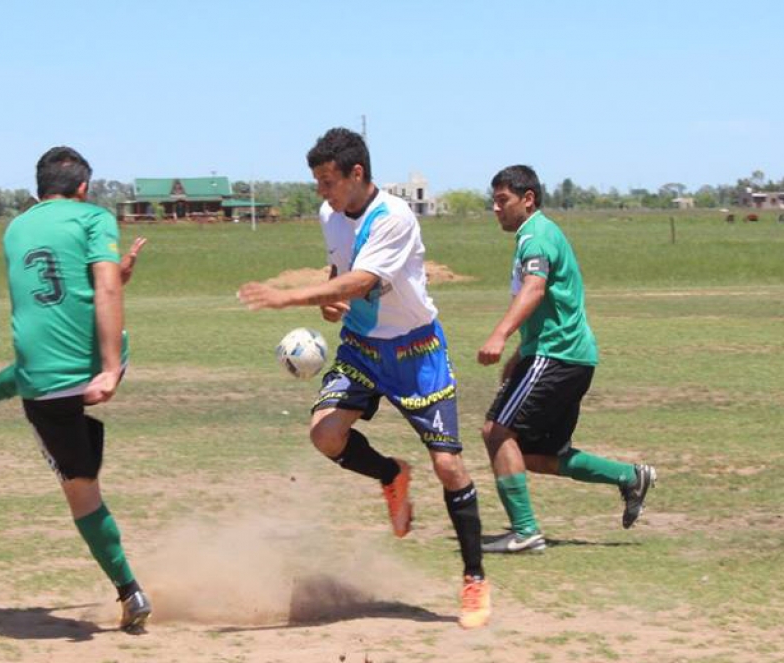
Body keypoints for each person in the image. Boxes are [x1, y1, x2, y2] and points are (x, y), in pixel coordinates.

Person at [238, 127, 491, 630]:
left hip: (416, 353)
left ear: (357, 174)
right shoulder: (330, 215)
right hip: (362, 348)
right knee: (325, 435)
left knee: (448, 466)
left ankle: (474, 579)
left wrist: (291, 296)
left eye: (328, 181)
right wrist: (330, 303)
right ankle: (390, 475)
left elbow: (365, 280)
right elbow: (342, 278)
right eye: (317, 182)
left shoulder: (394, 218)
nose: (322, 192)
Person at [0, 146, 151, 632]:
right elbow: (103, 289)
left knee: (82, 492)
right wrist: (110, 368)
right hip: (97, 363)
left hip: (45, 384)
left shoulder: (15, 228)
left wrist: (112, 279)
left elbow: (53, 296)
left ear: (39, 190)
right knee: (82, 478)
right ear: (83, 189)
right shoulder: (94, 218)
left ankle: (130, 592)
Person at [478, 165, 657, 554]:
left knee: (497, 432)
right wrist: (519, 354)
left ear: (528, 199)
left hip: (556, 355)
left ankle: (525, 532)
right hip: (567, 356)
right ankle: (629, 477)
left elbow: (535, 289)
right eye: (493, 200)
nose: (496, 208)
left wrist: (500, 335)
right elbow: (550, 305)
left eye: (503, 200)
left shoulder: (536, 236)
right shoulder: (538, 234)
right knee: (536, 455)